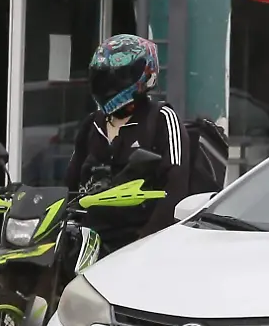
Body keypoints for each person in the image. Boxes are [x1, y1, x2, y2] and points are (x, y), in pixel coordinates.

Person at [64, 34, 191, 255]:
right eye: (102, 77)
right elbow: (70, 184)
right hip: (89, 237)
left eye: (117, 77)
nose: (108, 85)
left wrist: (145, 244)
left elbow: (176, 188)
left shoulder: (162, 118)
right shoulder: (92, 125)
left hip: (138, 240)